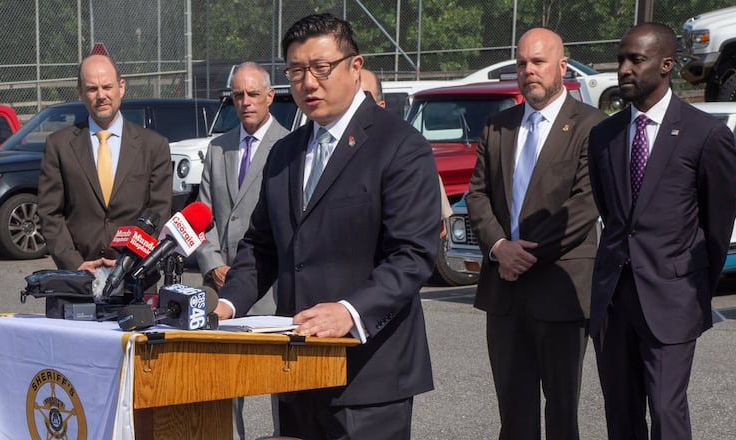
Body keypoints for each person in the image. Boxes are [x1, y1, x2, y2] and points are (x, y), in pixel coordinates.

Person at [216, 13, 441, 440]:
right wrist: (224, 306)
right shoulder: (284, 152)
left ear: (355, 66)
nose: (308, 83)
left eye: (321, 68)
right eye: (296, 71)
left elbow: (412, 255)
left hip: (369, 377)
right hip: (298, 373)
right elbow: (261, 247)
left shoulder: (399, 145)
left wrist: (350, 311)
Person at [587, 23, 736, 440]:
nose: (624, 69)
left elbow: (717, 225)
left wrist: (693, 288)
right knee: (621, 413)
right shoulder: (603, 136)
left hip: (673, 301)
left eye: (636, 59)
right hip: (613, 300)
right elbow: (612, 213)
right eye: (621, 59)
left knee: (667, 412)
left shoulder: (705, 134)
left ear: (666, 64)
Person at [465, 28, 606, 440]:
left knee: (562, 413)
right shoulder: (498, 126)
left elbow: (584, 204)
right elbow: (477, 194)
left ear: (562, 66)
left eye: (538, 62)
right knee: (513, 413)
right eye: (522, 63)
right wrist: (499, 248)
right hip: (505, 294)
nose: (529, 70)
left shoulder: (592, 126)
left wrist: (523, 255)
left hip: (560, 290)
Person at [195, 62, 289, 440]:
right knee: (224, 385)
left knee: (281, 388)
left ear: (270, 96)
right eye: (238, 95)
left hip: (271, 290)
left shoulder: (288, 146)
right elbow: (202, 215)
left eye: (253, 94)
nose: (245, 101)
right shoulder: (217, 148)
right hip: (222, 289)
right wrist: (213, 264)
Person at [38, 54, 172, 272]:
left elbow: (158, 212)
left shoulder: (154, 146)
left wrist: (130, 262)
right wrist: (74, 264)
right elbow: (49, 213)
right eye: (92, 89)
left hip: (135, 274)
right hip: (79, 275)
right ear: (80, 92)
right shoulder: (59, 146)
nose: (101, 95)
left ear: (121, 87)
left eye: (107, 87)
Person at [361, 67, 452, 238]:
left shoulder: (407, 155)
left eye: (363, 99)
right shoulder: (324, 151)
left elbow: (439, 229)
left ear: (381, 106)